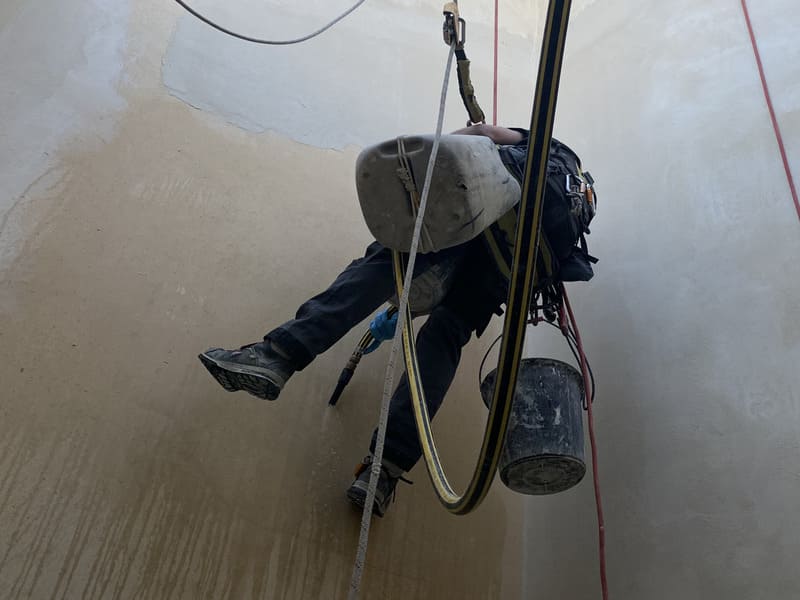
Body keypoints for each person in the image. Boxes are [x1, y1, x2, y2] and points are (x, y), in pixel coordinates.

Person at [199, 124, 586, 517]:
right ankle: (384, 470)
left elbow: (483, 132)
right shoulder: (565, 175)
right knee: (445, 336)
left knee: (389, 258)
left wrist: (433, 152)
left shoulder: (537, 138)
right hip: (513, 267)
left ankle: (277, 355)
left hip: (485, 220)